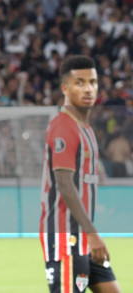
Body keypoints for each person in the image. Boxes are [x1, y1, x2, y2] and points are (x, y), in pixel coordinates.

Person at [40, 56, 120, 293]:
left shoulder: (85, 128)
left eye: (93, 82)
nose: (88, 89)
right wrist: (93, 234)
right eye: (80, 82)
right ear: (65, 88)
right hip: (67, 238)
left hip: (83, 237)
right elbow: (64, 185)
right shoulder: (64, 127)